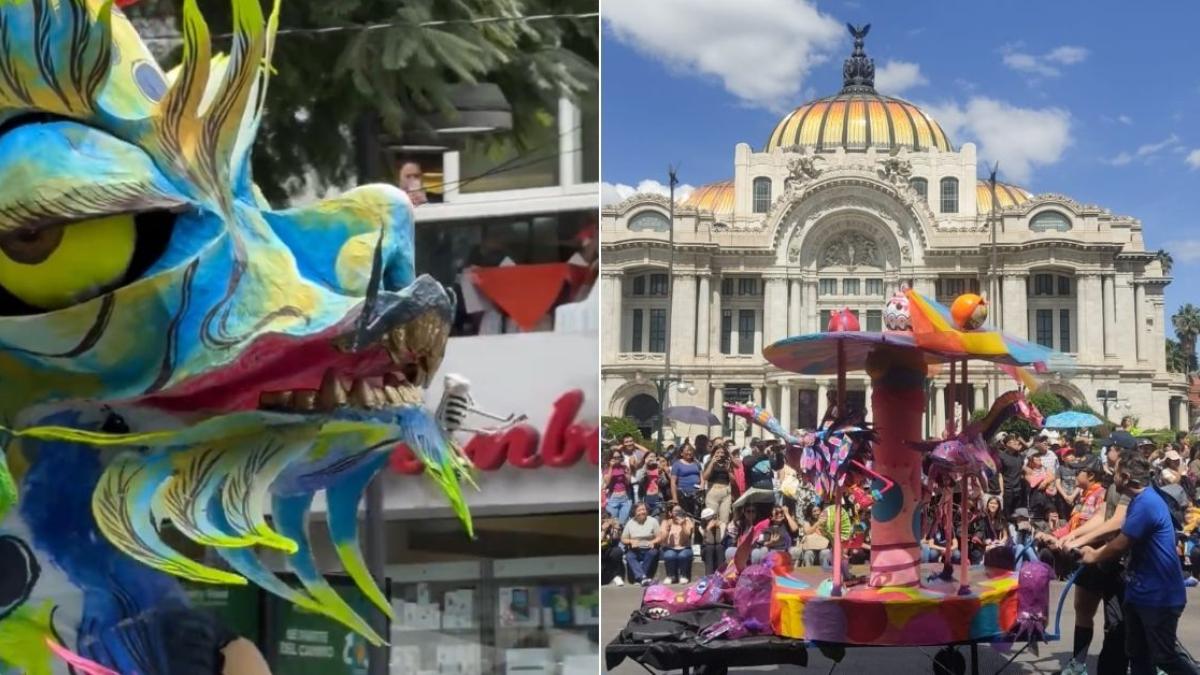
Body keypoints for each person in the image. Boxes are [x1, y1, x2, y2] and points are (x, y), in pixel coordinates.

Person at [1079, 453, 1197, 675]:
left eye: (1115, 473)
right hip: (1139, 593)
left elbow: (1120, 545)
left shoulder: (1147, 504)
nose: (1111, 476)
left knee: (1165, 657)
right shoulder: (1139, 501)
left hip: (1159, 596)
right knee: (1138, 655)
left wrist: (1093, 556)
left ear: (1125, 477)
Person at [1055, 444, 1134, 675]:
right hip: (1089, 557)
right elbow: (1090, 521)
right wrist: (1069, 536)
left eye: (1080, 470)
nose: (1075, 473)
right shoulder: (1094, 493)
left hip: (1110, 559)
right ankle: (1078, 664)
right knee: (1083, 609)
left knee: (1121, 621)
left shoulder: (1109, 491)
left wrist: (1079, 541)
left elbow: (1112, 522)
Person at [621, 503, 661, 586]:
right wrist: (631, 541)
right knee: (629, 556)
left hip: (649, 548)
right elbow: (623, 539)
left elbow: (659, 537)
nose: (642, 512)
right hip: (636, 549)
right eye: (639, 510)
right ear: (634, 512)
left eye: (644, 510)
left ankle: (640, 577)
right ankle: (643, 578)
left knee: (652, 553)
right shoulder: (630, 523)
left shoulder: (653, 521)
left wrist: (653, 542)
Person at [659, 505, 695, 584]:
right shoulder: (665, 522)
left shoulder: (687, 520)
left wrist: (682, 525)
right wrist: (667, 529)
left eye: (679, 511)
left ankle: (683, 576)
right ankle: (671, 576)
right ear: (670, 513)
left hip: (685, 547)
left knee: (683, 555)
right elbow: (662, 540)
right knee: (669, 555)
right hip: (670, 548)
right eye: (675, 511)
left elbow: (687, 536)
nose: (677, 513)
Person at [703, 443, 737, 523]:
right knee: (712, 519)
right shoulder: (709, 463)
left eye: (722, 452)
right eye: (718, 452)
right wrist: (712, 463)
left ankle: (722, 535)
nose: (720, 454)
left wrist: (728, 470)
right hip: (713, 491)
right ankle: (711, 535)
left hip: (725, 492)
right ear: (714, 453)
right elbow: (705, 477)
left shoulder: (727, 463)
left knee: (724, 520)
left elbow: (733, 481)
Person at [998, 433, 1027, 517]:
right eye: (1012, 441)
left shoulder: (1019, 456)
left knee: (1017, 514)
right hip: (1007, 490)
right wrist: (1002, 490)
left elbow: (1026, 446)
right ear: (1007, 444)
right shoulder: (1002, 456)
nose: (1015, 443)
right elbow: (999, 474)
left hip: (1019, 489)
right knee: (1007, 514)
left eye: (1016, 441)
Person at [670, 444, 703, 518]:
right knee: (684, 516)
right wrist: (675, 498)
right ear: (681, 453)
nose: (689, 452)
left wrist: (702, 486)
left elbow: (701, 476)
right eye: (687, 450)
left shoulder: (696, 463)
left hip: (696, 495)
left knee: (696, 516)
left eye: (691, 450)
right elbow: (673, 482)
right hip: (683, 495)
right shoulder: (677, 464)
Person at [603, 450, 633, 524]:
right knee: (613, 523)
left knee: (622, 522)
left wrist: (626, 472)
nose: (617, 459)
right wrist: (611, 467)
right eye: (615, 457)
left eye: (619, 457)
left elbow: (628, 482)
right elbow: (607, 482)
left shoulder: (624, 467)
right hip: (613, 498)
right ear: (611, 458)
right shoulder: (607, 468)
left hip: (625, 498)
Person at [638, 451, 670, 516]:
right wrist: (645, 465)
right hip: (646, 497)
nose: (653, 458)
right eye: (651, 457)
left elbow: (664, 483)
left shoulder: (658, 469)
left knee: (657, 517)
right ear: (645, 458)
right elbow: (639, 479)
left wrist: (660, 473)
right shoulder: (643, 470)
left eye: (654, 457)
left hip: (657, 497)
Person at [699, 508, 726, 575]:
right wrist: (708, 529)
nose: (711, 521)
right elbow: (709, 542)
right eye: (708, 519)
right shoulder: (701, 527)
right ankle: (709, 575)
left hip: (718, 546)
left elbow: (719, 540)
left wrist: (718, 529)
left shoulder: (722, 525)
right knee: (709, 548)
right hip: (706, 548)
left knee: (719, 547)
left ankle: (721, 574)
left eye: (713, 518)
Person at [601, 513, 626, 586]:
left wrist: (616, 529)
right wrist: (603, 530)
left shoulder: (611, 528)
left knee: (617, 551)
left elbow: (616, 539)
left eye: (608, 519)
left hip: (609, 550)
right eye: (604, 519)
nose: (606, 521)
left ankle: (616, 576)